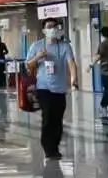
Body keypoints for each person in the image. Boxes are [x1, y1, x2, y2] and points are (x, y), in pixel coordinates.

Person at [26, 19, 79, 158]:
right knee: (48, 117)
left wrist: (74, 80)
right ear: (44, 30)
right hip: (43, 88)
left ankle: (54, 146)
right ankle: (48, 149)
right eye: (50, 27)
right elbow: (28, 65)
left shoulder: (65, 46)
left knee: (58, 119)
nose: (53, 29)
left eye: (55, 26)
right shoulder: (37, 46)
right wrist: (38, 57)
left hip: (60, 89)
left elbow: (71, 63)